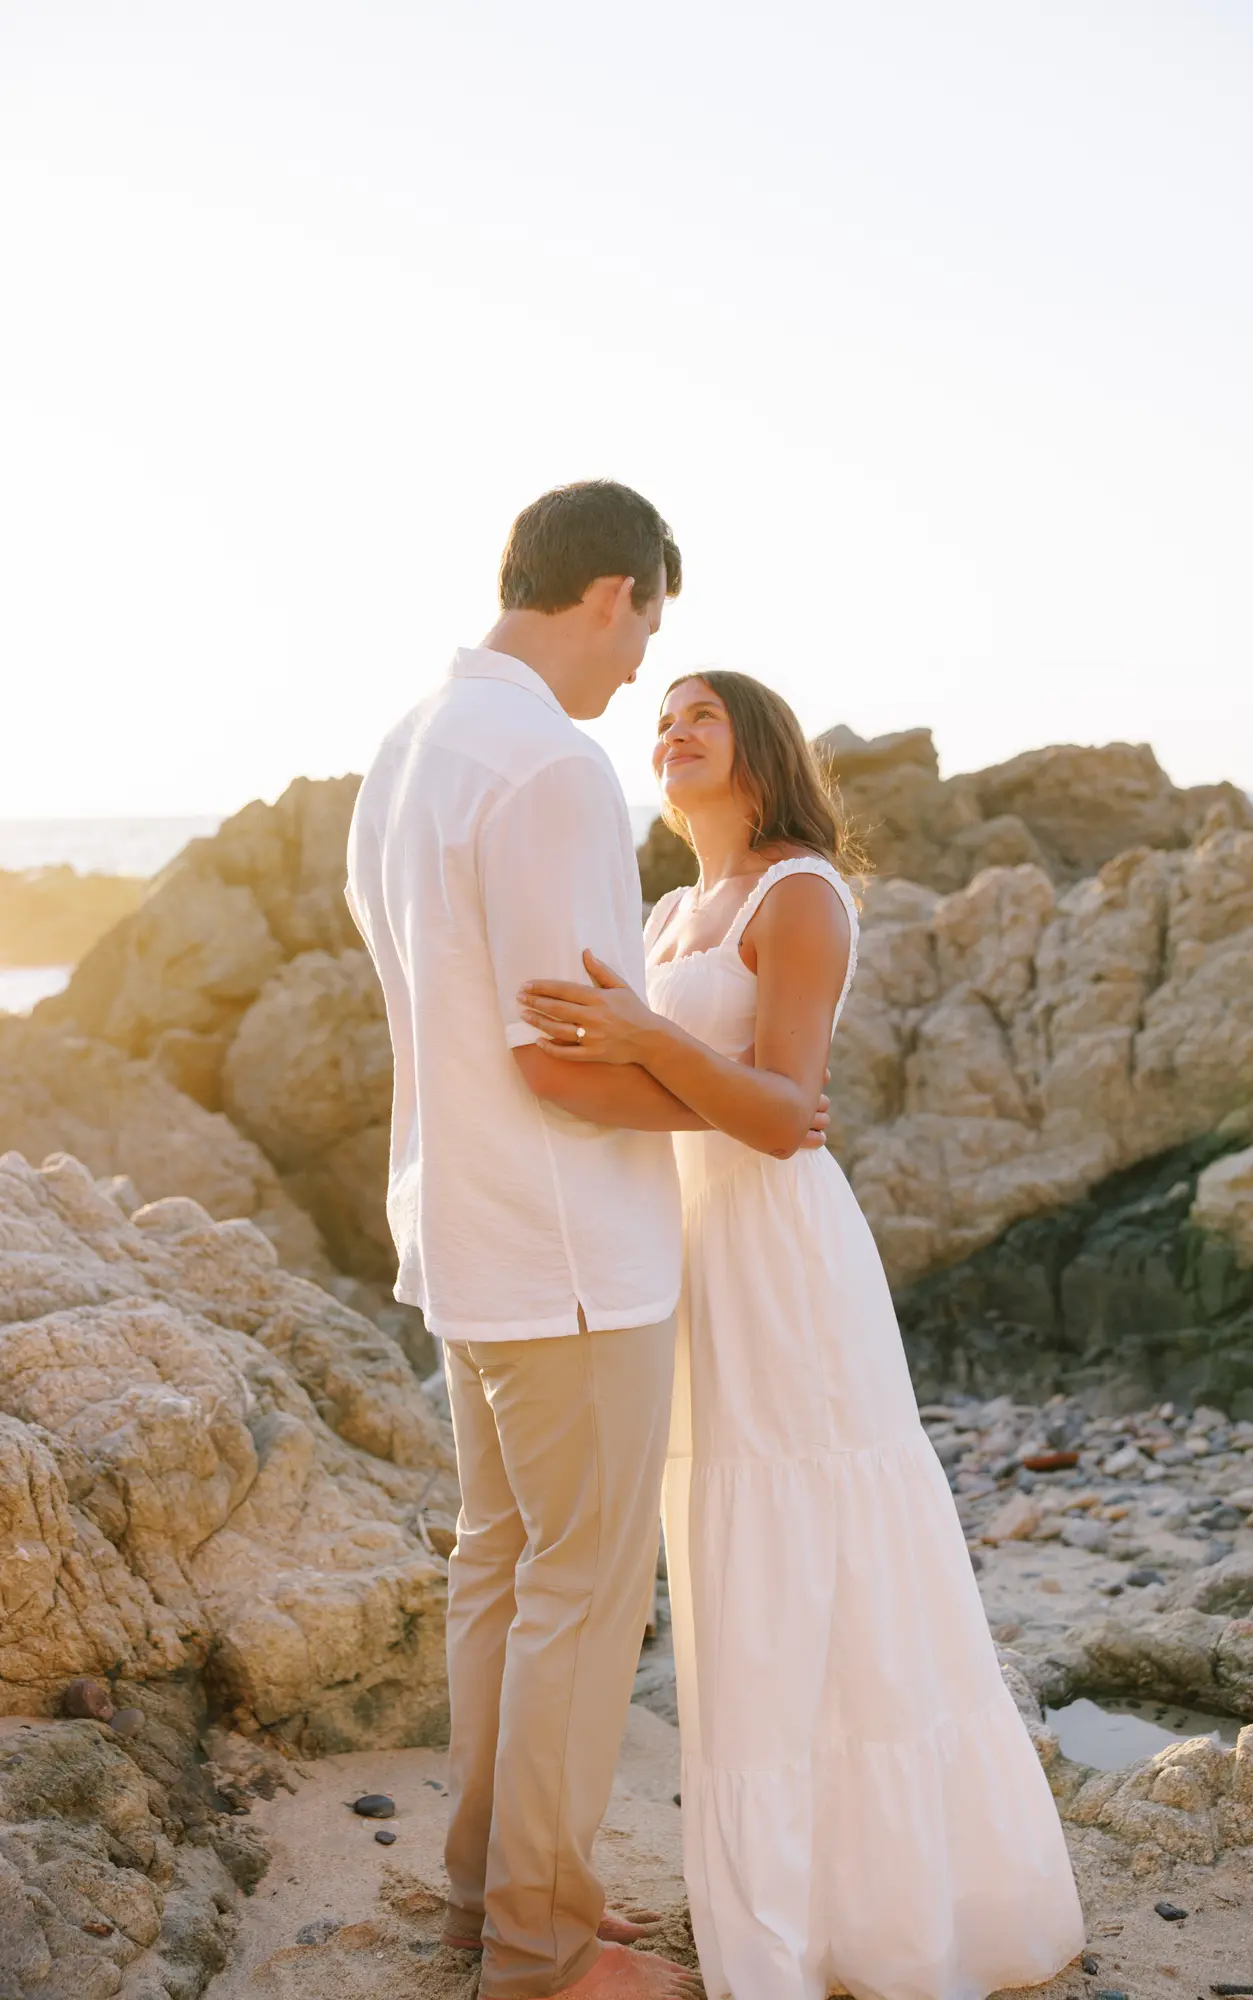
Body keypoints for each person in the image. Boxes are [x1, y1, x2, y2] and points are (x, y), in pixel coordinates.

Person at [518, 670, 1087, 2000]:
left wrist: (645, 1044)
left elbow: (784, 1113)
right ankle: (780, 1914)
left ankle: (903, 1913)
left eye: (700, 715)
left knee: (830, 1556)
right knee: (734, 1566)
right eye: (660, 718)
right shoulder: (665, 913)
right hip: (690, 1252)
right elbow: (661, 1097)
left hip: (783, 1257)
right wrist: (552, 1072)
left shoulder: (800, 895)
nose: (671, 731)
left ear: (759, 752)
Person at [346, 482, 717, 2000]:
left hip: (460, 1234)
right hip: (566, 1253)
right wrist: (736, 1104)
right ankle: (541, 1949)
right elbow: (561, 1057)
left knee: (500, 1574)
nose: (638, 671)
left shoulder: (408, 745)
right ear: (612, 592)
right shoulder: (552, 767)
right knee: (578, 1593)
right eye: (647, 629)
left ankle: (482, 1899)